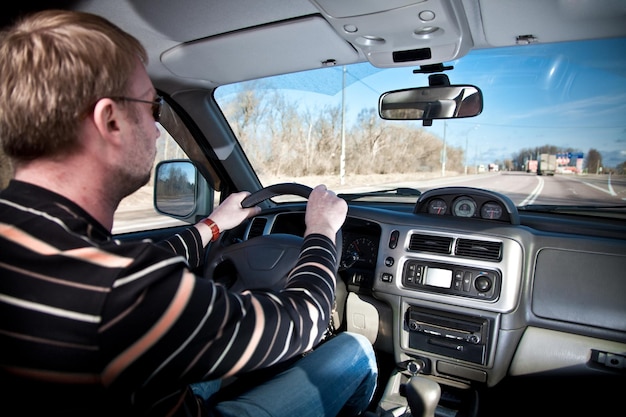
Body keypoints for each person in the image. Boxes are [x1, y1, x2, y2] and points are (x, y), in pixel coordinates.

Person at [0, 9, 377, 417]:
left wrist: (214, 226)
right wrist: (321, 229)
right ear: (109, 119)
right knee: (356, 351)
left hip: (142, 388)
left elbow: (130, 272)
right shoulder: (120, 294)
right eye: (152, 107)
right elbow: (303, 320)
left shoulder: (38, 243)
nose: (158, 128)